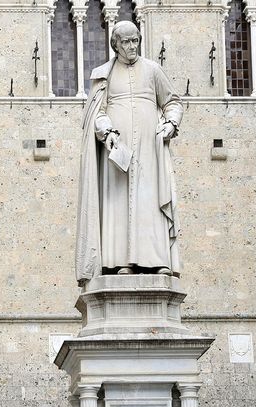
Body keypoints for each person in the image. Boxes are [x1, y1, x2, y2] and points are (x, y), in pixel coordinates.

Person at [75, 20, 185, 283]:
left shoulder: (153, 70)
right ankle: (119, 262)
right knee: (118, 204)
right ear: (116, 45)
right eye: (126, 41)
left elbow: (172, 102)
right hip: (118, 156)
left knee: (150, 202)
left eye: (135, 40)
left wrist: (171, 122)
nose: (132, 46)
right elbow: (97, 113)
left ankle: (158, 261)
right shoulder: (105, 75)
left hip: (149, 150)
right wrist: (107, 133)